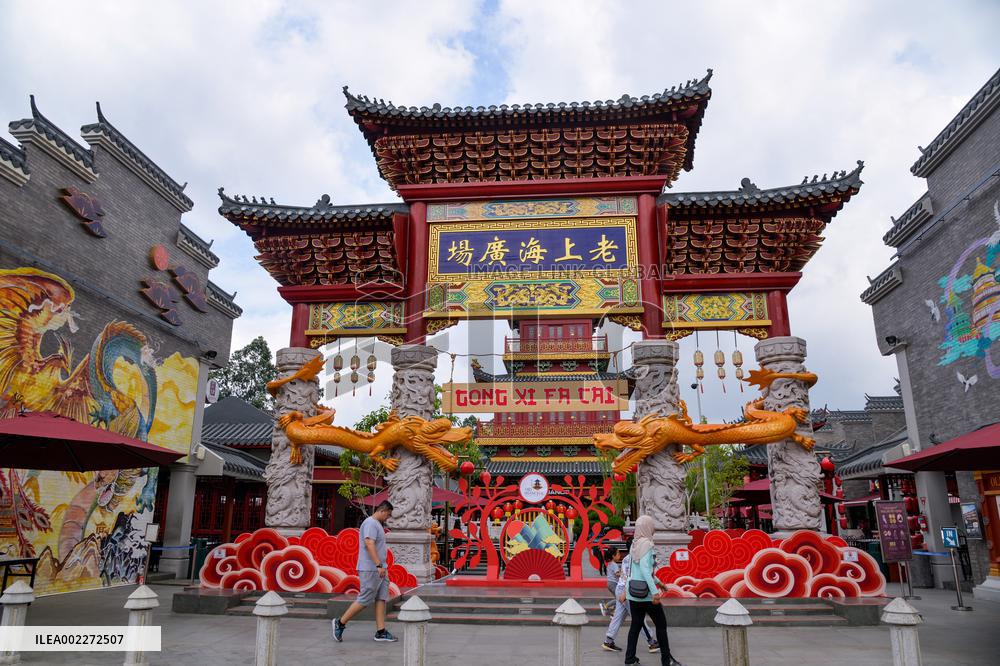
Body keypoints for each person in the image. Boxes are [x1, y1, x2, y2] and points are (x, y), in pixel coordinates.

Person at [333, 501, 397, 643]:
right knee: (365, 599)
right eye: (388, 514)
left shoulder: (377, 524)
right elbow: (369, 544)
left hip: (380, 569)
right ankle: (340, 622)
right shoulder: (371, 523)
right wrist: (378, 564)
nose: (388, 517)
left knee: (381, 598)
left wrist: (382, 567)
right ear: (383, 510)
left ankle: (381, 632)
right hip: (371, 568)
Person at [624, 515, 682, 666]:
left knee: (635, 626)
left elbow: (634, 570)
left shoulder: (634, 545)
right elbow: (644, 569)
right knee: (661, 626)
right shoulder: (648, 545)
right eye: (652, 525)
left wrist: (659, 582)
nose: (654, 529)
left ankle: (630, 659)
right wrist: (655, 592)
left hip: (633, 593)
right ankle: (666, 660)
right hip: (647, 595)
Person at [602, 548, 658, 653]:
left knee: (618, 616)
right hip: (628, 591)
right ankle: (651, 642)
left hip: (621, 588)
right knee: (638, 616)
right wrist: (625, 593)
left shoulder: (627, 558)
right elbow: (631, 577)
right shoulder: (637, 559)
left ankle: (608, 640)